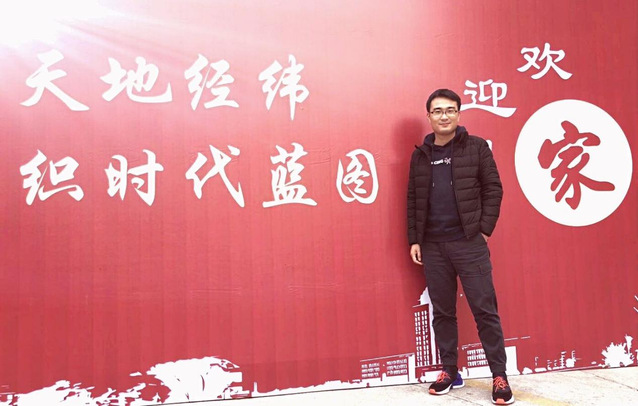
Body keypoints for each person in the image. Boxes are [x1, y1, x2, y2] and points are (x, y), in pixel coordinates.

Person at [406, 88, 514, 405]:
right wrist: (414, 239)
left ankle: (499, 376)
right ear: (429, 116)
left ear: (458, 114)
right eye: (437, 111)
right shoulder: (420, 155)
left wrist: (484, 231)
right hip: (433, 246)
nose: (444, 116)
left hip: (469, 244)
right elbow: (413, 200)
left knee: (484, 311)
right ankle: (450, 371)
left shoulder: (476, 147)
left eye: (450, 110)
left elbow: (494, 189)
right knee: (442, 312)